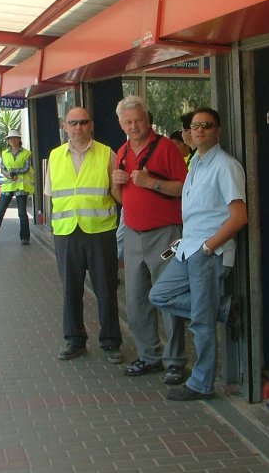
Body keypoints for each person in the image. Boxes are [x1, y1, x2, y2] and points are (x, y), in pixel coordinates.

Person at [149, 107, 248, 401]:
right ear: (188, 133)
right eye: (195, 126)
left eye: (207, 125)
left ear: (218, 130)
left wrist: (209, 246)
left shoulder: (225, 166)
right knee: (159, 295)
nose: (200, 130)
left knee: (202, 323)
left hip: (208, 253)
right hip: (188, 248)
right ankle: (224, 309)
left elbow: (239, 216)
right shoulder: (195, 163)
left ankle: (202, 385)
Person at [110, 96, 189, 385]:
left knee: (168, 297)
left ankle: (175, 361)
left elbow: (185, 188)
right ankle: (149, 356)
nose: (134, 126)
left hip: (165, 234)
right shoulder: (121, 152)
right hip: (133, 233)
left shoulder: (166, 147)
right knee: (136, 300)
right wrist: (116, 184)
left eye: (138, 120)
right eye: (128, 122)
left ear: (148, 120)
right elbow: (120, 197)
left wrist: (151, 183)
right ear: (121, 124)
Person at [45, 107, 123, 364]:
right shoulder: (55, 156)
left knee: (106, 289)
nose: (78, 127)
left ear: (91, 125)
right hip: (66, 232)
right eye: (73, 123)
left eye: (83, 122)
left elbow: (117, 194)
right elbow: (52, 195)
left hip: (100, 231)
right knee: (71, 290)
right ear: (65, 126)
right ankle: (74, 340)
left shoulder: (107, 154)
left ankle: (111, 342)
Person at [0, 129, 33, 245]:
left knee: (22, 213)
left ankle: (25, 237)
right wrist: (8, 174)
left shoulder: (26, 153)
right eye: (10, 138)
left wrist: (13, 172)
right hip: (8, 185)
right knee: (0, 211)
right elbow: (3, 169)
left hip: (20, 185)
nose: (12, 140)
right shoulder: (4, 153)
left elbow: (26, 168)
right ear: (8, 141)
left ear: (19, 139)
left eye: (15, 138)